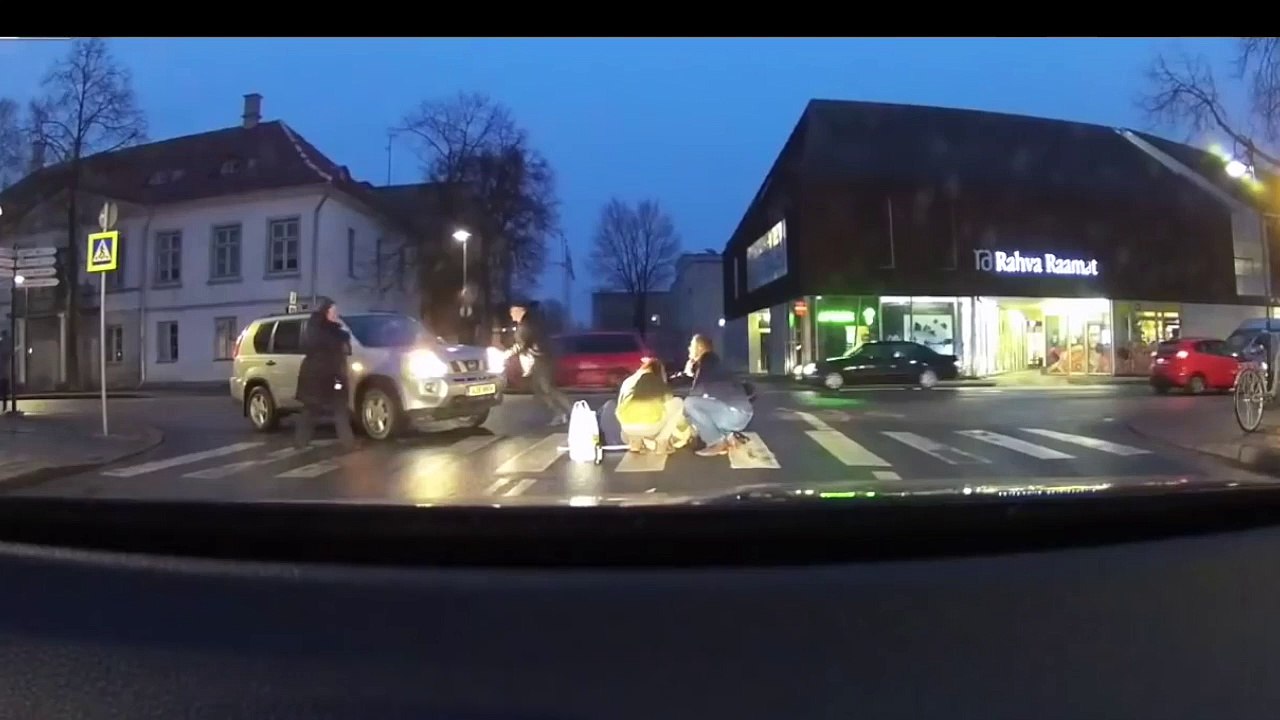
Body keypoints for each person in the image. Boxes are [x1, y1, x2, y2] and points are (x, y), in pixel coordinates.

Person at [294, 299, 356, 450]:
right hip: (316, 378)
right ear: (325, 312)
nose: (336, 314)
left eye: (336, 312)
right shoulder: (317, 330)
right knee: (311, 409)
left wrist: (343, 338)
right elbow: (319, 346)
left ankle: (349, 443)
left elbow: (341, 352)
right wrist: (340, 338)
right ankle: (300, 441)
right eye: (333, 312)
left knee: (340, 408)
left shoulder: (335, 331)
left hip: (334, 376)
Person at [681, 333, 753, 457]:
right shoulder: (715, 362)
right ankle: (730, 436)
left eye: (691, 346)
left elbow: (695, 394)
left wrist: (689, 374)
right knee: (700, 409)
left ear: (699, 348)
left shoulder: (705, 363)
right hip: (742, 414)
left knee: (689, 404)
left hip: (733, 413)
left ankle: (717, 442)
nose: (688, 348)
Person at [508, 299, 572, 426]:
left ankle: (571, 411)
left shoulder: (526, 325)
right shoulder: (527, 323)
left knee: (547, 388)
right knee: (540, 389)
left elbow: (522, 344)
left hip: (543, 359)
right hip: (540, 358)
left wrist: (507, 354)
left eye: (513, 311)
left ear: (521, 311)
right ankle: (561, 413)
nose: (511, 314)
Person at [615, 358, 692, 454]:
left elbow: (620, 407)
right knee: (677, 403)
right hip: (650, 427)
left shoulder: (628, 382)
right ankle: (662, 442)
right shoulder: (657, 382)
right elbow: (670, 403)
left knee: (633, 411)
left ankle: (635, 442)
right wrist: (683, 426)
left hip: (627, 430)